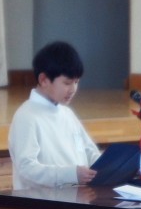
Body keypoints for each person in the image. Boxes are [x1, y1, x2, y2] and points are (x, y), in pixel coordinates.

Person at [8, 41, 101, 190]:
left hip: (77, 198)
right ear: (44, 80)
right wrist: (71, 174)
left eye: (76, 82)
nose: (73, 89)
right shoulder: (26, 116)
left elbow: (90, 152)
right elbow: (26, 169)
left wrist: (108, 166)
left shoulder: (67, 114)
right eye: (67, 83)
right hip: (40, 202)